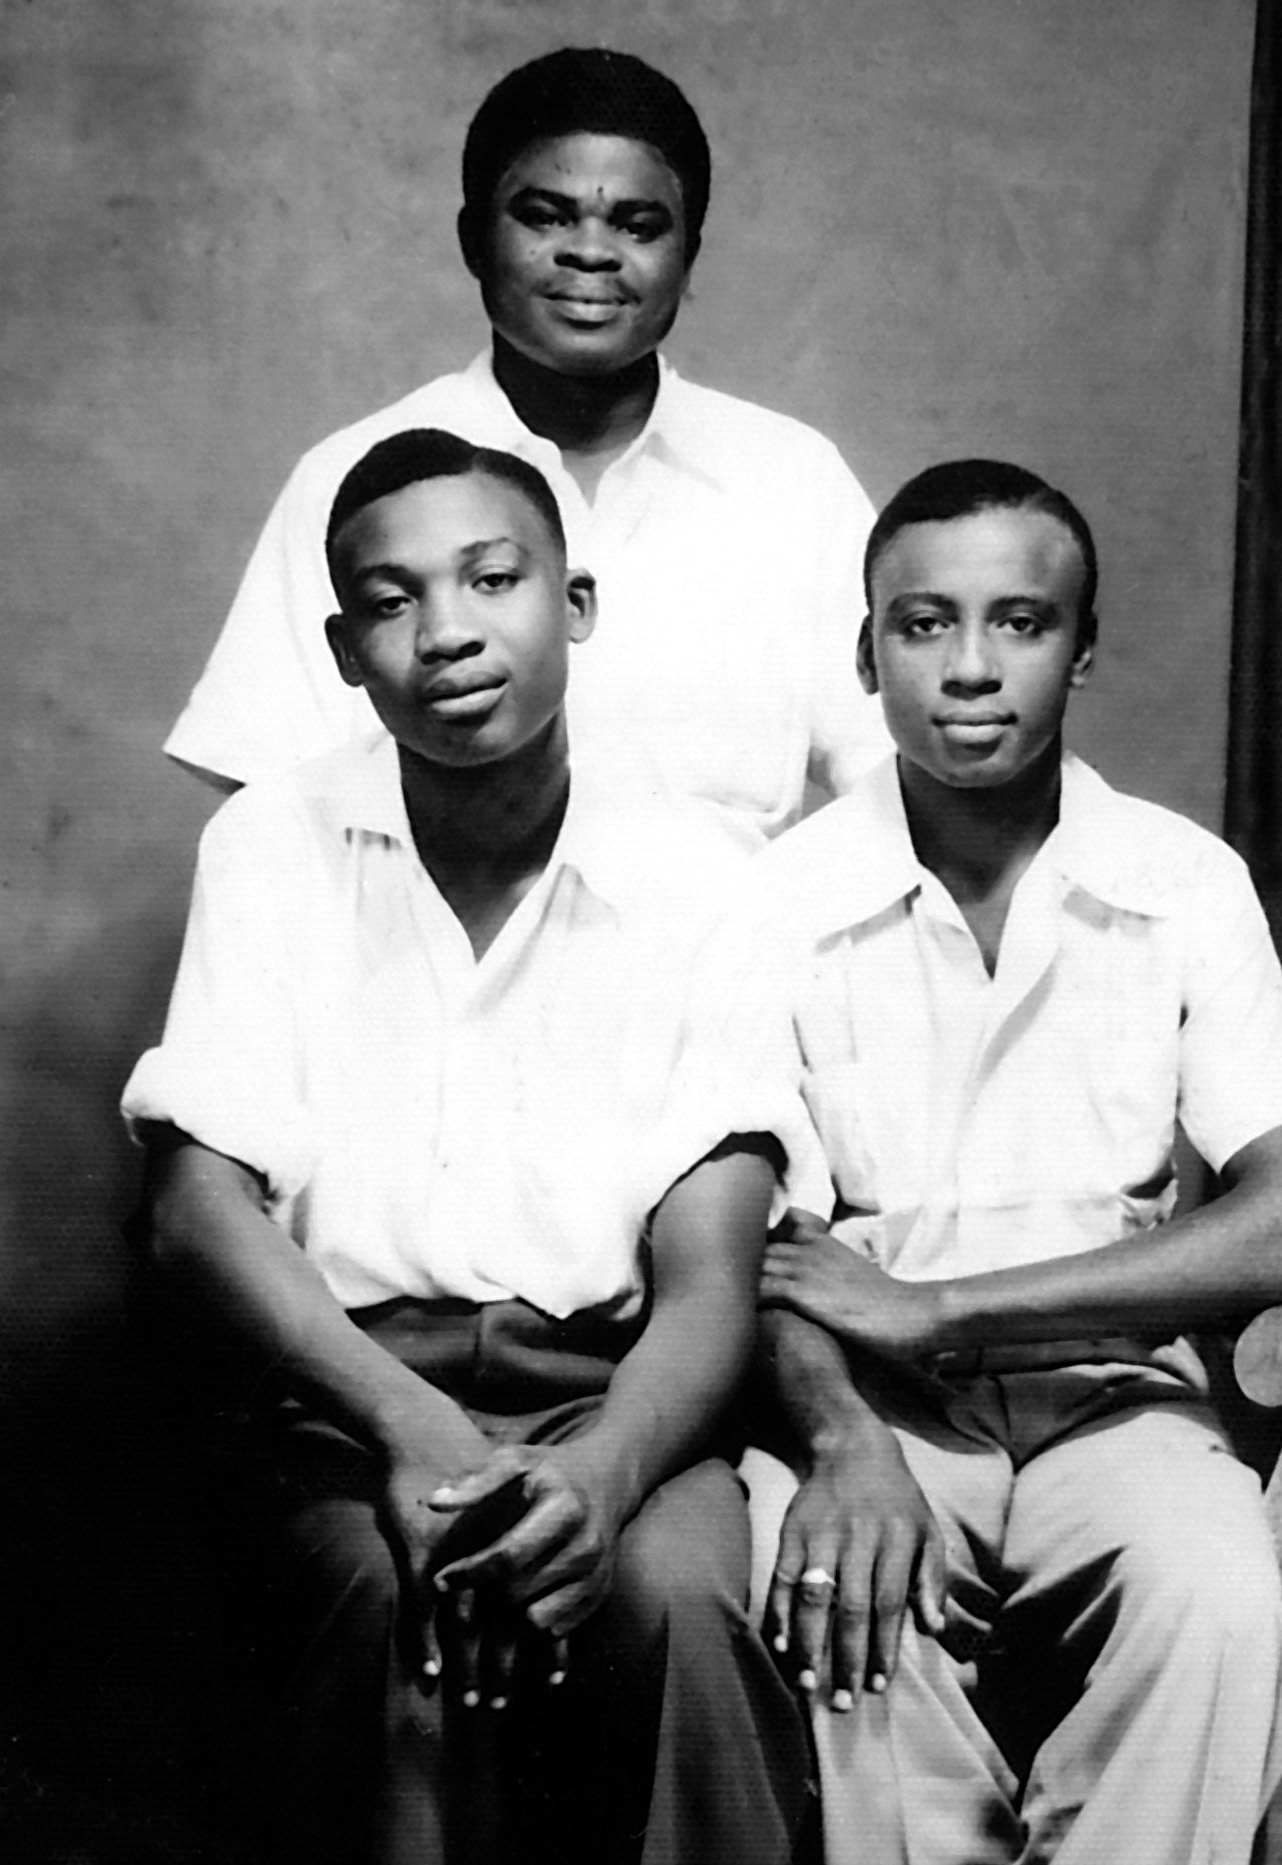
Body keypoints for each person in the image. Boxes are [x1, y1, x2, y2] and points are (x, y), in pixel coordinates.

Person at [123, 429, 810, 1865]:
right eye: (392, 601)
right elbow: (196, 1209)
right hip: (345, 1393)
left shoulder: (709, 875)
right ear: (343, 649)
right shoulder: (272, 843)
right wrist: (409, 1428)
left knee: (682, 1602)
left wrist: (605, 1473)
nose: (445, 631)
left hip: (616, 1397)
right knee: (390, 1609)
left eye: (493, 579)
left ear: (576, 603)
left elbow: (711, 1274)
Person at [739, 460, 1282, 1865]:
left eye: (1019, 622)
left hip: (1118, 1399)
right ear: (865, 654)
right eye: (923, 624)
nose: (969, 667)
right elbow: (760, 1246)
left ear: (1082, 649)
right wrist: (839, 1440)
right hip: (876, 1405)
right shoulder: (773, 900)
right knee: (829, 1582)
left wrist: (949, 1306)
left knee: (1217, 1598)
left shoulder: (1183, 878)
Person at [164, 46, 887, 845]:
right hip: (426, 926)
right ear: (473, 240)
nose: (590, 251)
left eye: (637, 225)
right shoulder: (351, 481)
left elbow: (898, 771)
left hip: (725, 928)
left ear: (687, 258)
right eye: (544, 216)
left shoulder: (789, 478)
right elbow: (271, 814)